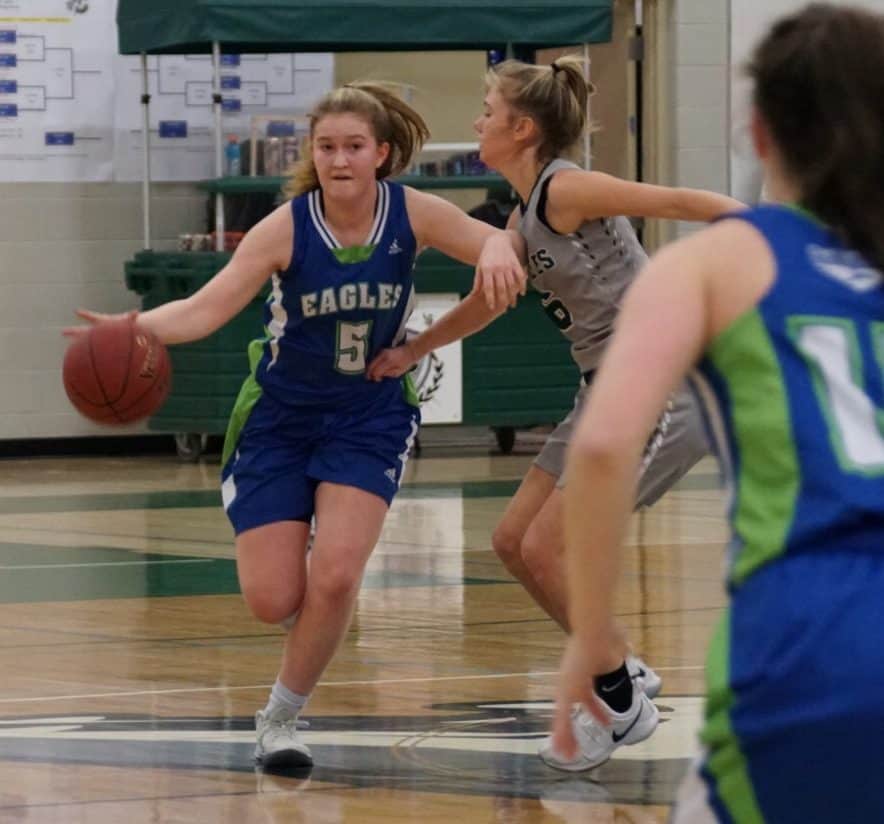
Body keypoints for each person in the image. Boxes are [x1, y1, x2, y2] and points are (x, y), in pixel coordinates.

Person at [65, 82, 526, 769]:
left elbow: (498, 241)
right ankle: (311, 599)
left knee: (337, 577)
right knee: (274, 597)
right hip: (279, 419)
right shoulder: (284, 227)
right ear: (314, 155)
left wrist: (494, 248)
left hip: (367, 414)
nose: (339, 159)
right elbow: (207, 308)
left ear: (382, 153)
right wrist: (136, 328)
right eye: (327, 147)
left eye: (353, 147)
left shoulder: (413, 213)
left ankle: (281, 716)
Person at [552, 4, 884, 821]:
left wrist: (592, 637)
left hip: (812, 633)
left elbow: (601, 449)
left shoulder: (719, 261)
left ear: (757, 129)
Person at [368, 56, 743, 770]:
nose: (476, 120)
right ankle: (621, 667)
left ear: (521, 127)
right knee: (513, 542)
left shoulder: (567, 188)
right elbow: (484, 304)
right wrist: (415, 349)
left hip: (658, 382)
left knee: (549, 548)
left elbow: (683, 202)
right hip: (599, 389)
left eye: (486, 108)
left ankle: (616, 701)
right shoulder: (522, 211)